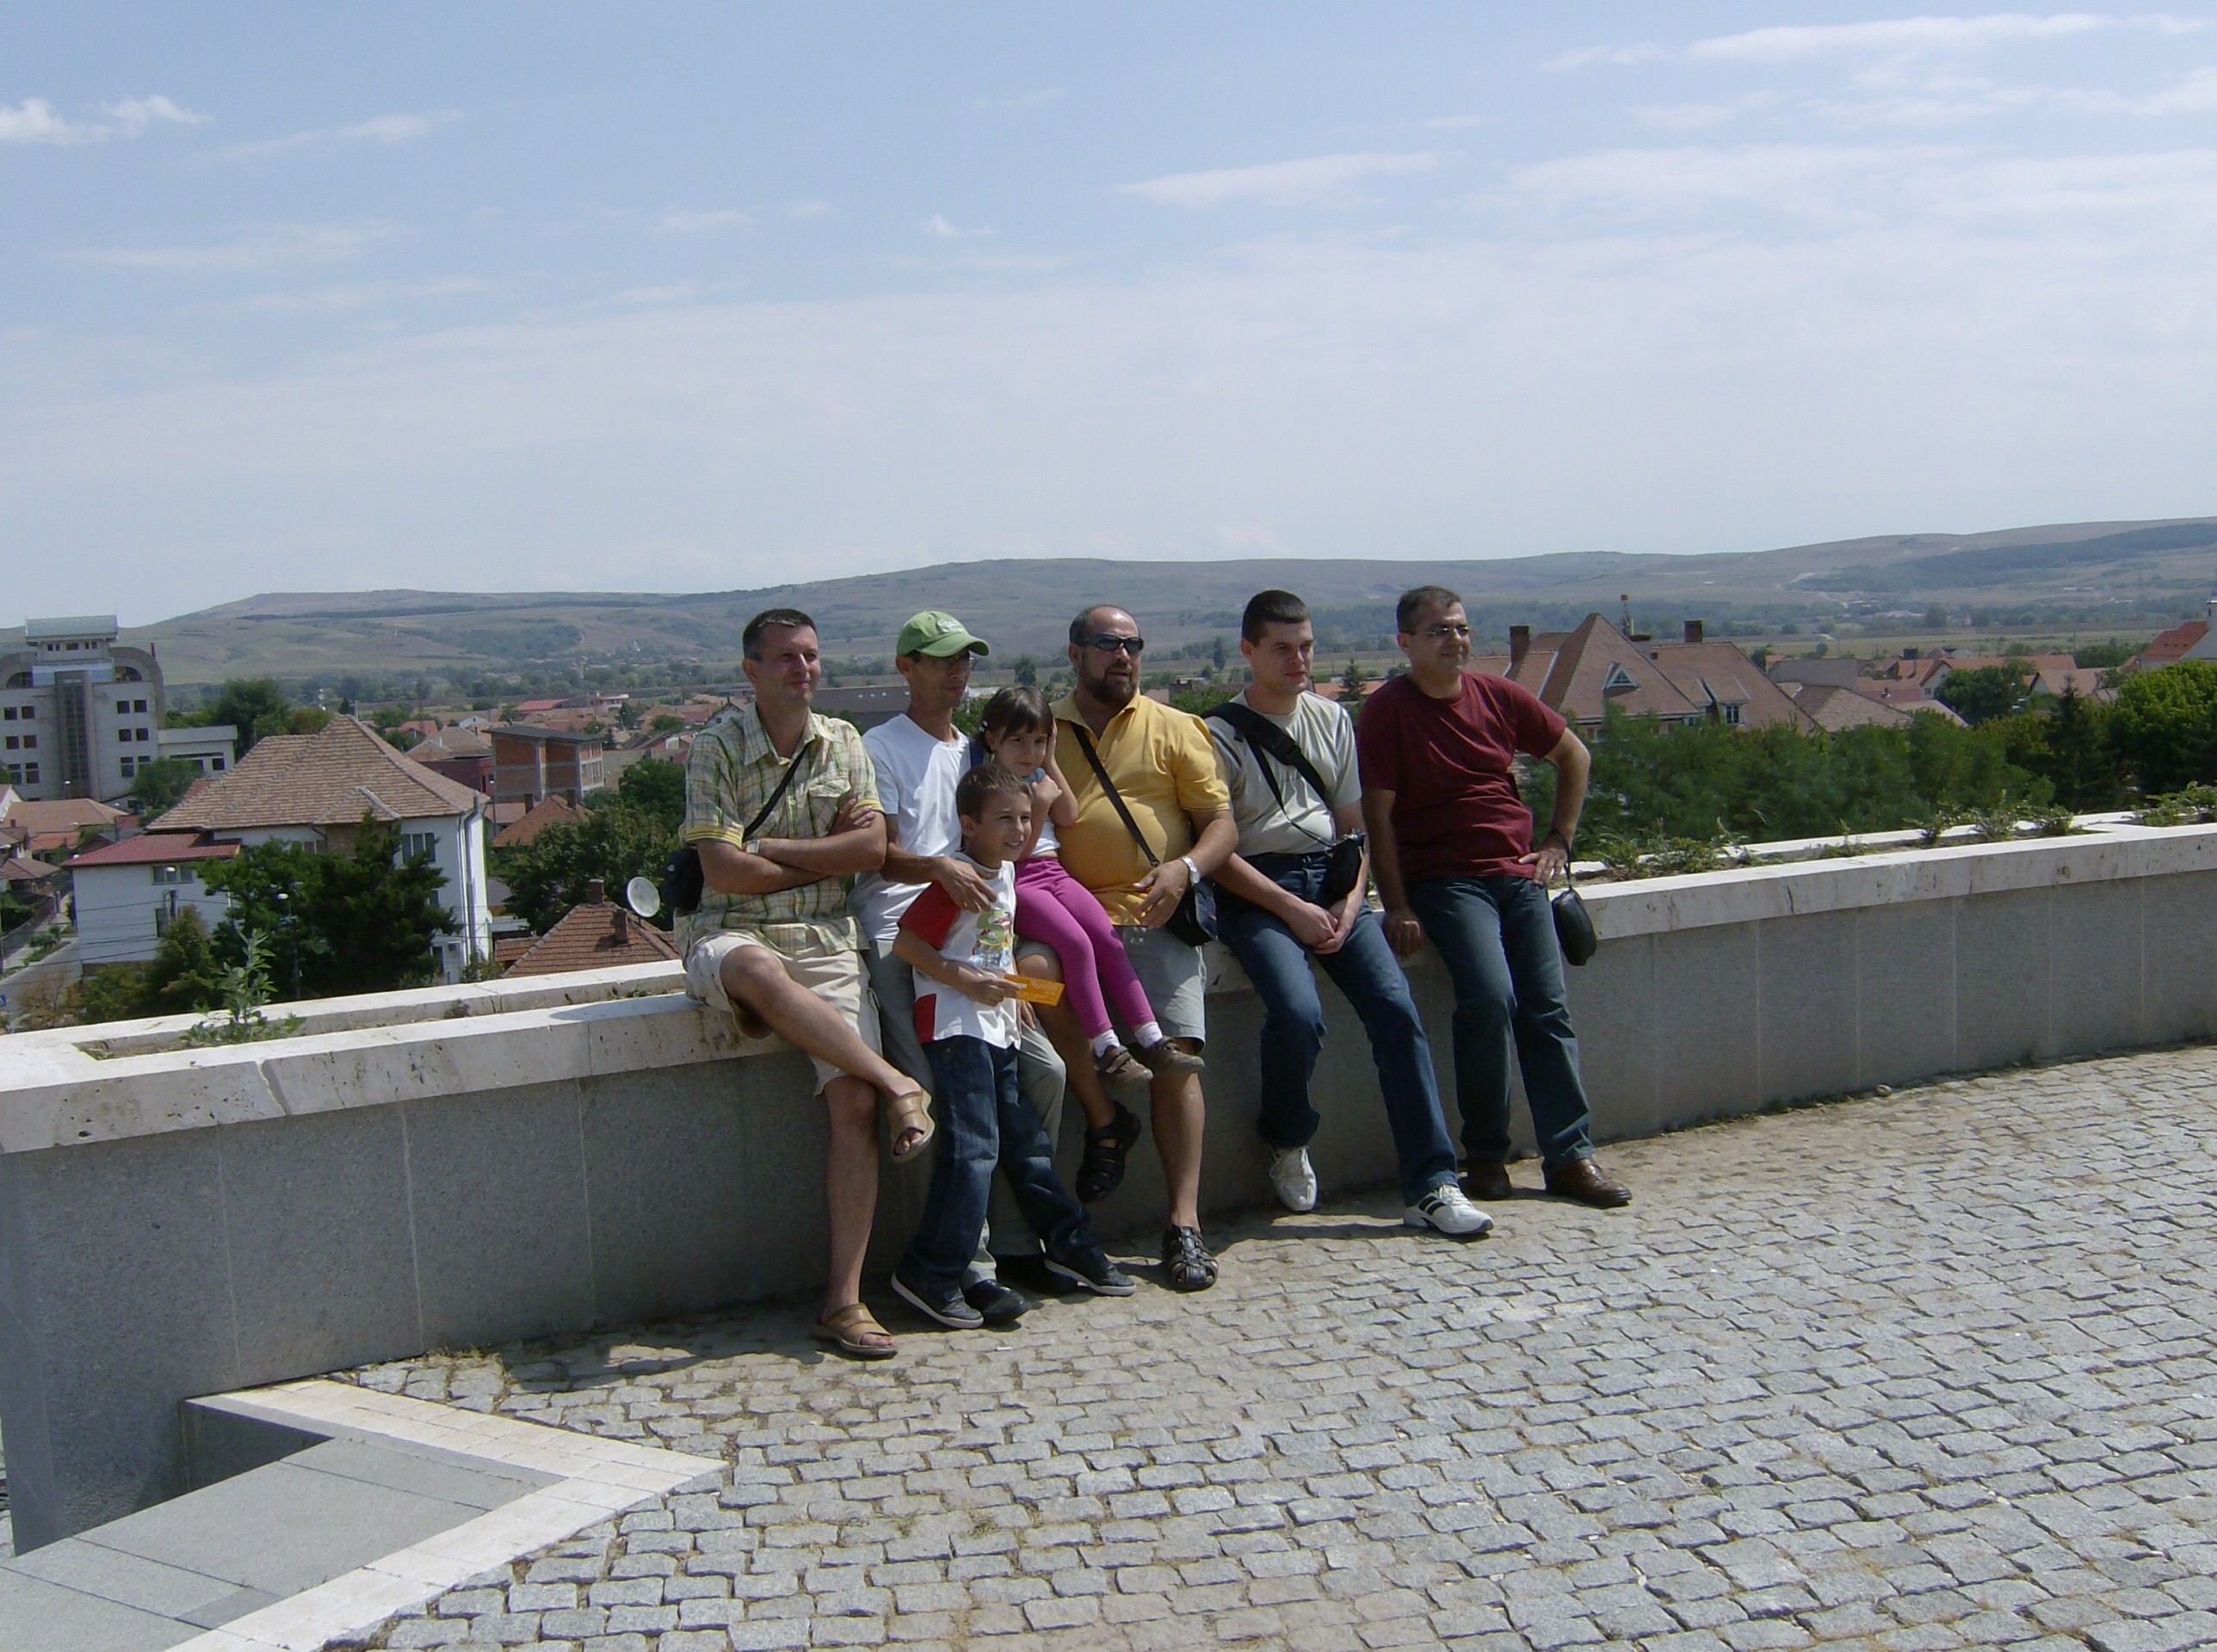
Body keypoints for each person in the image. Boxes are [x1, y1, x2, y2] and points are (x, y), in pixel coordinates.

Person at [680, 607, 929, 1362]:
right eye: (786, 657)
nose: (804, 669)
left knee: (851, 1103)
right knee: (754, 970)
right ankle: (899, 1081)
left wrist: (775, 848)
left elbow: (871, 849)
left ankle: (843, 1303)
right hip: (732, 930)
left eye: (812, 656)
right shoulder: (716, 746)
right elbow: (722, 873)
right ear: (751, 670)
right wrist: (825, 854)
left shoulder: (844, 742)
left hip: (824, 937)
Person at [1205, 590, 1492, 1237]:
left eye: (1306, 646)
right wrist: (1292, 909)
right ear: (1249, 650)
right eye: (1282, 648)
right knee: (1298, 1013)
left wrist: (1350, 901)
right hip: (1261, 890)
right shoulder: (1216, 734)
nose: (1299, 660)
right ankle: (1287, 1137)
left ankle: (1433, 1184)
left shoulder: (1332, 720)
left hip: (1335, 882)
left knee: (1394, 1010)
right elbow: (1218, 853)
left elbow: (1354, 830)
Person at [1356, 586, 1632, 1209]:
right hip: (1447, 881)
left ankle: (1571, 1157)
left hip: (1519, 874)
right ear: (1405, 643)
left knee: (1546, 1008)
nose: (1454, 640)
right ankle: (1485, 1156)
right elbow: (1378, 814)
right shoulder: (1388, 711)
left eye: (1460, 628)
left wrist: (1558, 839)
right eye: (1438, 631)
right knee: (1488, 997)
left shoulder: (1498, 695)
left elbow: (1574, 754)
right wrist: (1396, 904)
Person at [851, 610, 1069, 1325]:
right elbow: (879, 854)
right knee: (945, 1107)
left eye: (965, 659)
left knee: (1045, 1074)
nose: (958, 672)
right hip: (906, 939)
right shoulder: (880, 746)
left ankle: (1017, 1242)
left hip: (984, 949)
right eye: (942, 659)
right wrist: (939, 868)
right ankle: (962, 1268)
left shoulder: (976, 751)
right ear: (905, 666)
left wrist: (1006, 960)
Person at [890, 764, 1137, 1325]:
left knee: (1025, 1144)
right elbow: (908, 944)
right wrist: (967, 981)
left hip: (995, 1026)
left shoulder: (1003, 872)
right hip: (956, 1028)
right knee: (974, 1151)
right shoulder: (958, 878)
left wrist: (1019, 990)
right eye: (1005, 819)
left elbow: (991, 947)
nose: (1020, 829)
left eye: (1026, 818)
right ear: (969, 825)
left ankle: (1070, 1244)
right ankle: (930, 1270)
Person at [1051, 605, 1238, 1290]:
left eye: (1133, 644)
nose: (1123, 655)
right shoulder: (1041, 728)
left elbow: (1220, 826)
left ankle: (1184, 1224)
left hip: (1153, 920)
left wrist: (1184, 870)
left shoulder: (1176, 727)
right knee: (1037, 998)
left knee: (1178, 1058)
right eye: (1107, 644)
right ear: (1075, 653)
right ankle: (1104, 1122)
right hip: (1064, 928)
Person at [974, 686, 1203, 1199]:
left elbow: (1070, 814)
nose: (1030, 751)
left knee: (1102, 938)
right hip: (1021, 897)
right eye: (1019, 741)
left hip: (1054, 879)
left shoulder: (1038, 775)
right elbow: (1007, 859)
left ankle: (1149, 1041)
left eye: (1039, 741)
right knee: (1067, 954)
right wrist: (1035, 806)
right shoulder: (991, 787)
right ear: (993, 740)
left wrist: (1050, 767)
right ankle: (1107, 1052)